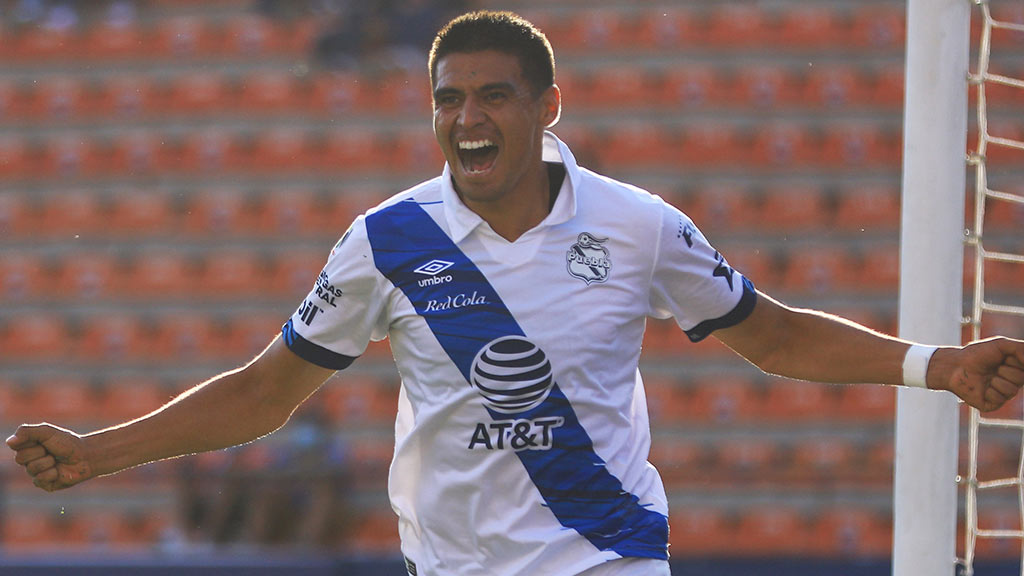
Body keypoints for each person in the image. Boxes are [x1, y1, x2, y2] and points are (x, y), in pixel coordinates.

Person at [7, 10, 1024, 576]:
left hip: (608, 558)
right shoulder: (387, 240)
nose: (467, 118)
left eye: (493, 95)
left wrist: (935, 365)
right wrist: (101, 453)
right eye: (448, 99)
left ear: (548, 107)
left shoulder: (636, 224)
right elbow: (264, 392)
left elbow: (777, 337)